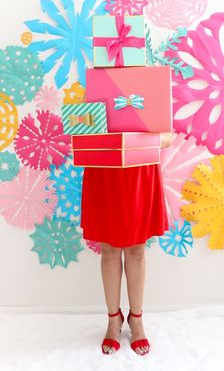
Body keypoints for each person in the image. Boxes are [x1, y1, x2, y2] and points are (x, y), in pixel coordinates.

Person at [80, 132, 173, 355]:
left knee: (137, 249)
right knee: (109, 248)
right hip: (104, 166)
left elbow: (167, 138)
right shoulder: (94, 95)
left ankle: (136, 319)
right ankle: (114, 319)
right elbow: (82, 132)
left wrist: (131, 141)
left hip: (139, 168)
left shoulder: (154, 96)